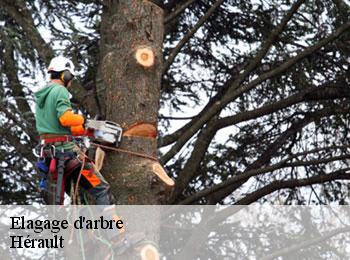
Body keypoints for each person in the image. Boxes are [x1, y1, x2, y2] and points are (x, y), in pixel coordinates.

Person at [34, 56, 111, 205]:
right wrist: (82, 120)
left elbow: (58, 126)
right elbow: (65, 118)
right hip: (68, 155)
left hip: (51, 156)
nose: (71, 82)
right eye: (71, 78)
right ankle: (114, 227)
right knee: (101, 188)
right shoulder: (60, 90)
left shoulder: (43, 96)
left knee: (80, 198)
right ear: (66, 75)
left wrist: (81, 130)